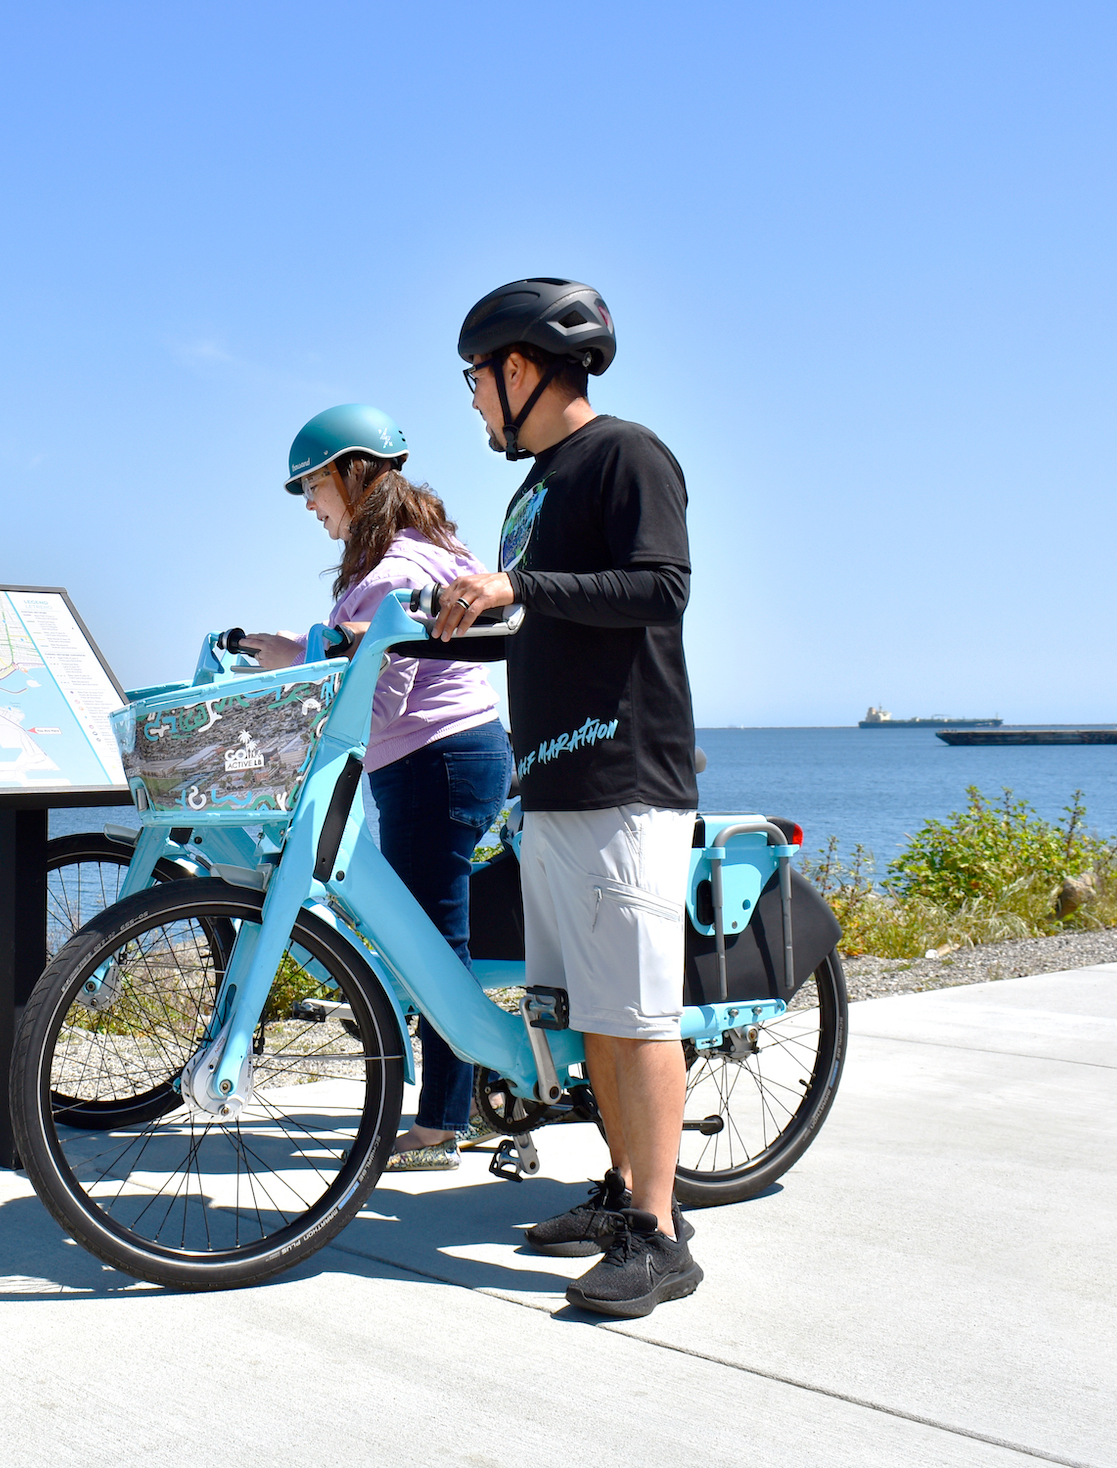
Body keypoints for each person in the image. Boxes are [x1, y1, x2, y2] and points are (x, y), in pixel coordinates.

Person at [412, 278, 703, 1318]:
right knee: (588, 1018)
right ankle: (625, 1190)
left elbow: (659, 587)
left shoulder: (626, 453)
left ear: (520, 368)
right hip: (552, 777)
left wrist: (521, 589)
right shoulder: (531, 488)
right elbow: (537, 613)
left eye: (477, 383)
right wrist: (455, 619)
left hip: (625, 773)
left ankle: (659, 1238)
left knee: (634, 1014)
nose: (475, 404)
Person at [239, 404, 513, 1171]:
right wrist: (297, 648)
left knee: (431, 944)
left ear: (347, 474)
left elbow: (377, 691)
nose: (309, 507)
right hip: (463, 752)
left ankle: (441, 1125)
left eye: (310, 488)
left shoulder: (388, 573)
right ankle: (484, 1088)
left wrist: (298, 701)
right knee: (436, 928)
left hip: (431, 762)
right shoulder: (427, 548)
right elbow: (381, 655)